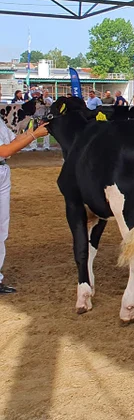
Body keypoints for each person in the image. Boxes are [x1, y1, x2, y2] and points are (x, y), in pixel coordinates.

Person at [0, 119, 49, 293]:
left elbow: (13, 141)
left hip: (3, 171)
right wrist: (35, 135)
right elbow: (4, 150)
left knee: (1, 228)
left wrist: (33, 132)